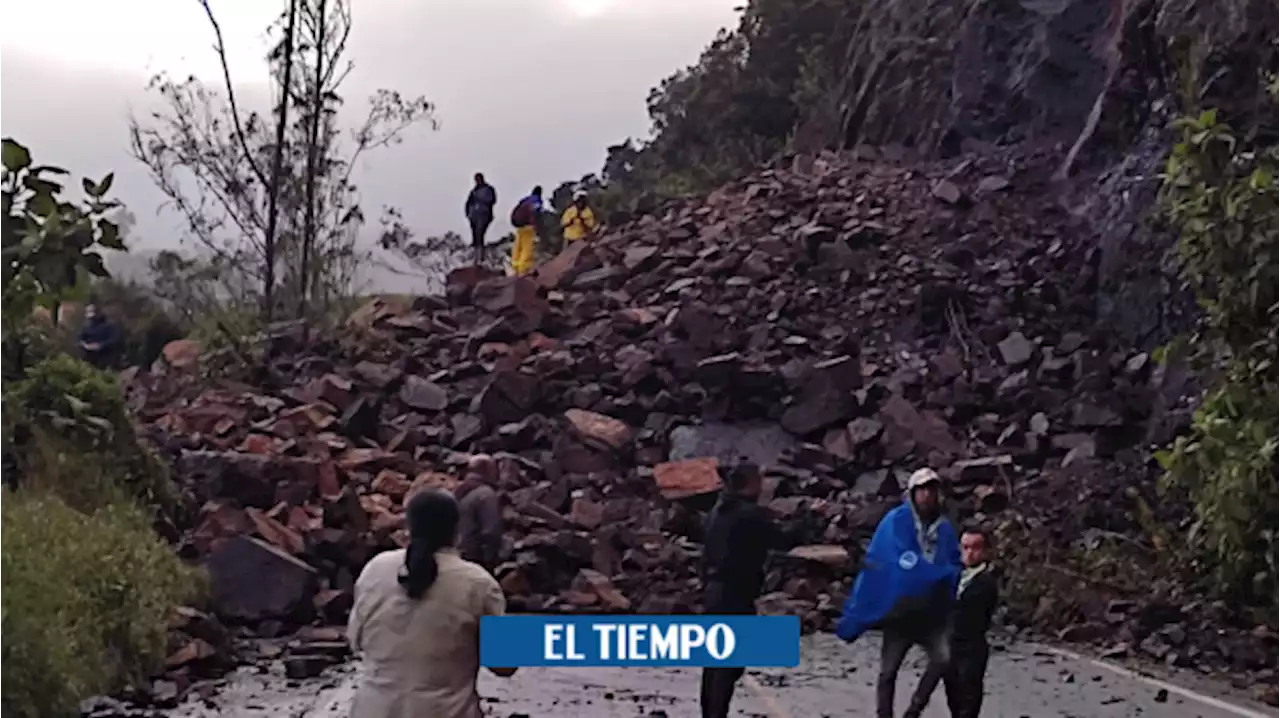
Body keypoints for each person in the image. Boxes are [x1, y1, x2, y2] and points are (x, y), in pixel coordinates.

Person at [347, 489, 516, 718]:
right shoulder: (478, 583)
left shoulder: (376, 569)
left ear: (409, 527)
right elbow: (504, 666)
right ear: (456, 530)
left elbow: (355, 640)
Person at [835, 467, 962, 718]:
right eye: (922, 490)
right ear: (912, 494)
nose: (927, 496)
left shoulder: (944, 529)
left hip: (931, 614)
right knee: (888, 671)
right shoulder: (896, 522)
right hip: (900, 612)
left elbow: (953, 564)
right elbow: (885, 562)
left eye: (931, 490)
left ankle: (914, 709)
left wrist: (948, 583)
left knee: (943, 659)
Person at [700, 462, 801, 718]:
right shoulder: (748, 514)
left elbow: (705, 554)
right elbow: (782, 539)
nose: (763, 486)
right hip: (736, 593)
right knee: (729, 665)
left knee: (713, 664)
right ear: (751, 483)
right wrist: (809, 519)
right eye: (760, 481)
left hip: (712, 592)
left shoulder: (717, 511)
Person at [944, 528, 999, 718]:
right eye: (965, 547)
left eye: (975, 548)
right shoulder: (954, 575)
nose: (969, 553)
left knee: (969, 696)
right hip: (950, 643)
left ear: (984, 551)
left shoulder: (986, 582)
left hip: (971, 645)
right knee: (953, 696)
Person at [455, 454, 503, 574]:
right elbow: (491, 531)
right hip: (476, 559)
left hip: (456, 555)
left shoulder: (458, 492)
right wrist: (489, 562)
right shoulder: (486, 494)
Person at [509, 186, 543, 276]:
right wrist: (536, 225)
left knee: (518, 245)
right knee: (527, 247)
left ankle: (514, 265)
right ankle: (523, 268)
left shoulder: (525, 200)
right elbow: (535, 212)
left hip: (519, 226)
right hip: (528, 226)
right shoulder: (537, 200)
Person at [464, 173, 497, 264]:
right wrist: (468, 214)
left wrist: (482, 205)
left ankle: (480, 257)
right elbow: (468, 203)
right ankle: (476, 256)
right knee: (476, 235)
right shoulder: (474, 191)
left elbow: (492, 200)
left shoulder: (488, 189)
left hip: (484, 214)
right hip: (474, 216)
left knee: (480, 233)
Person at [78, 304, 121, 369]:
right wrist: (85, 345)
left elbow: (115, 340)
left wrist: (101, 345)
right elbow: (80, 339)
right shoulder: (86, 327)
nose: (91, 319)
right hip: (89, 357)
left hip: (106, 357)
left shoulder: (109, 326)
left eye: (92, 317)